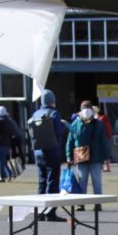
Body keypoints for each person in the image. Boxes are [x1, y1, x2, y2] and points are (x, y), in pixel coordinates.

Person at [27, 89, 69, 221]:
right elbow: (58, 132)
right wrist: (63, 125)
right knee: (53, 182)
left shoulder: (35, 114)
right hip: (53, 151)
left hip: (38, 152)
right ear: (52, 101)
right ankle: (50, 213)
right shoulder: (54, 113)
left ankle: (39, 212)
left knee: (41, 182)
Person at [65, 101, 111, 210]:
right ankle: (81, 204)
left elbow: (104, 141)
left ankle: (98, 204)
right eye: (84, 108)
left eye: (88, 108)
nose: (86, 110)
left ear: (92, 110)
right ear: (80, 111)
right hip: (81, 157)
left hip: (96, 158)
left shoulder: (99, 124)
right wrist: (68, 156)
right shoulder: (75, 124)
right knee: (82, 181)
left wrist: (107, 157)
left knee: (97, 182)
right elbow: (70, 141)